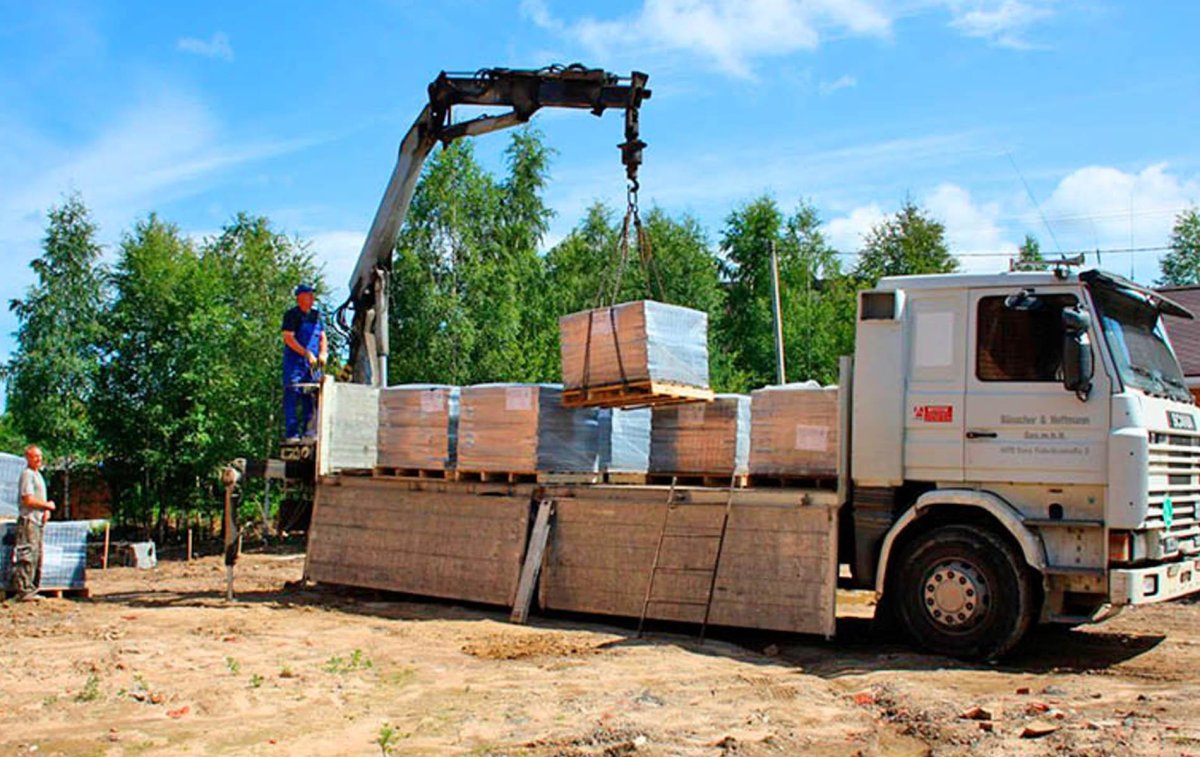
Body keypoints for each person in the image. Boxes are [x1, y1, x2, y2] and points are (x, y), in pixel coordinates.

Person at [282, 283, 327, 442]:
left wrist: (323, 353)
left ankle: (311, 432)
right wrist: (306, 353)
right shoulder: (291, 315)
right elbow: (288, 338)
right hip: (295, 363)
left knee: (313, 396)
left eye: (313, 295)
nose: (312, 298)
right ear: (300, 297)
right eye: (309, 295)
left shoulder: (316, 316)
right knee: (293, 394)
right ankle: (292, 434)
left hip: (313, 365)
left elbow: (322, 337)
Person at [12, 445, 55, 601]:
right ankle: (24, 590)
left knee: (37, 555)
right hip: (29, 520)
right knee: (28, 555)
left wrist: (46, 511)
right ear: (28, 458)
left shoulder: (38, 475)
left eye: (40, 456)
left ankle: (32, 589)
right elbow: (28, 499)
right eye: (35, 456)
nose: (39, 459)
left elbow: (38, 498)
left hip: (38, 521)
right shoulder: (27, 475)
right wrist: (47, 505)